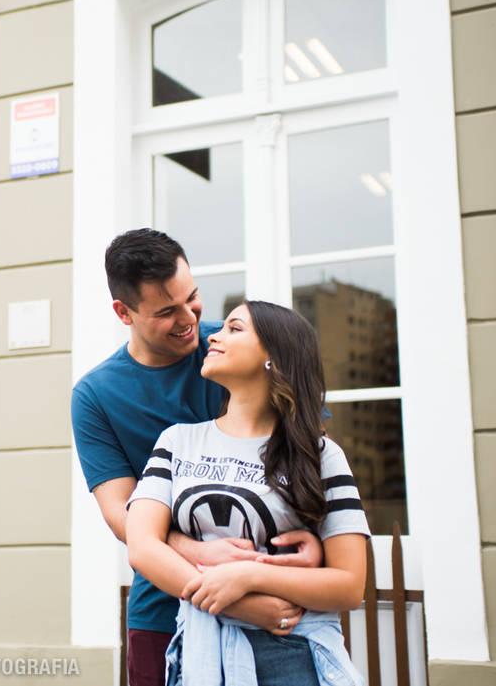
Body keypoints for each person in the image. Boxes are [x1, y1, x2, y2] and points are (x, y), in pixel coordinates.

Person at [72, 231, 322, 686]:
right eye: (166, 312)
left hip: (279, 601)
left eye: (193, 298)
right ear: (123, 313)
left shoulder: (233, 351)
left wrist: (319, 542)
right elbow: (120, 514)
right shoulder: (95, 396)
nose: (189, 319)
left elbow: (311, 454)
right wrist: (199, 555)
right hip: (164, 614)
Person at [126, 301, 369, 686]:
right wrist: (242, 602)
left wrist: (248, 575)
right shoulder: (176, 441)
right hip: (199, 650)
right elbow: (141, 547)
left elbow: (349, 585)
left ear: (273, 356)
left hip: (292, 653)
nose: (213, 337)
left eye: (234, 329)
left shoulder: (320, 455)